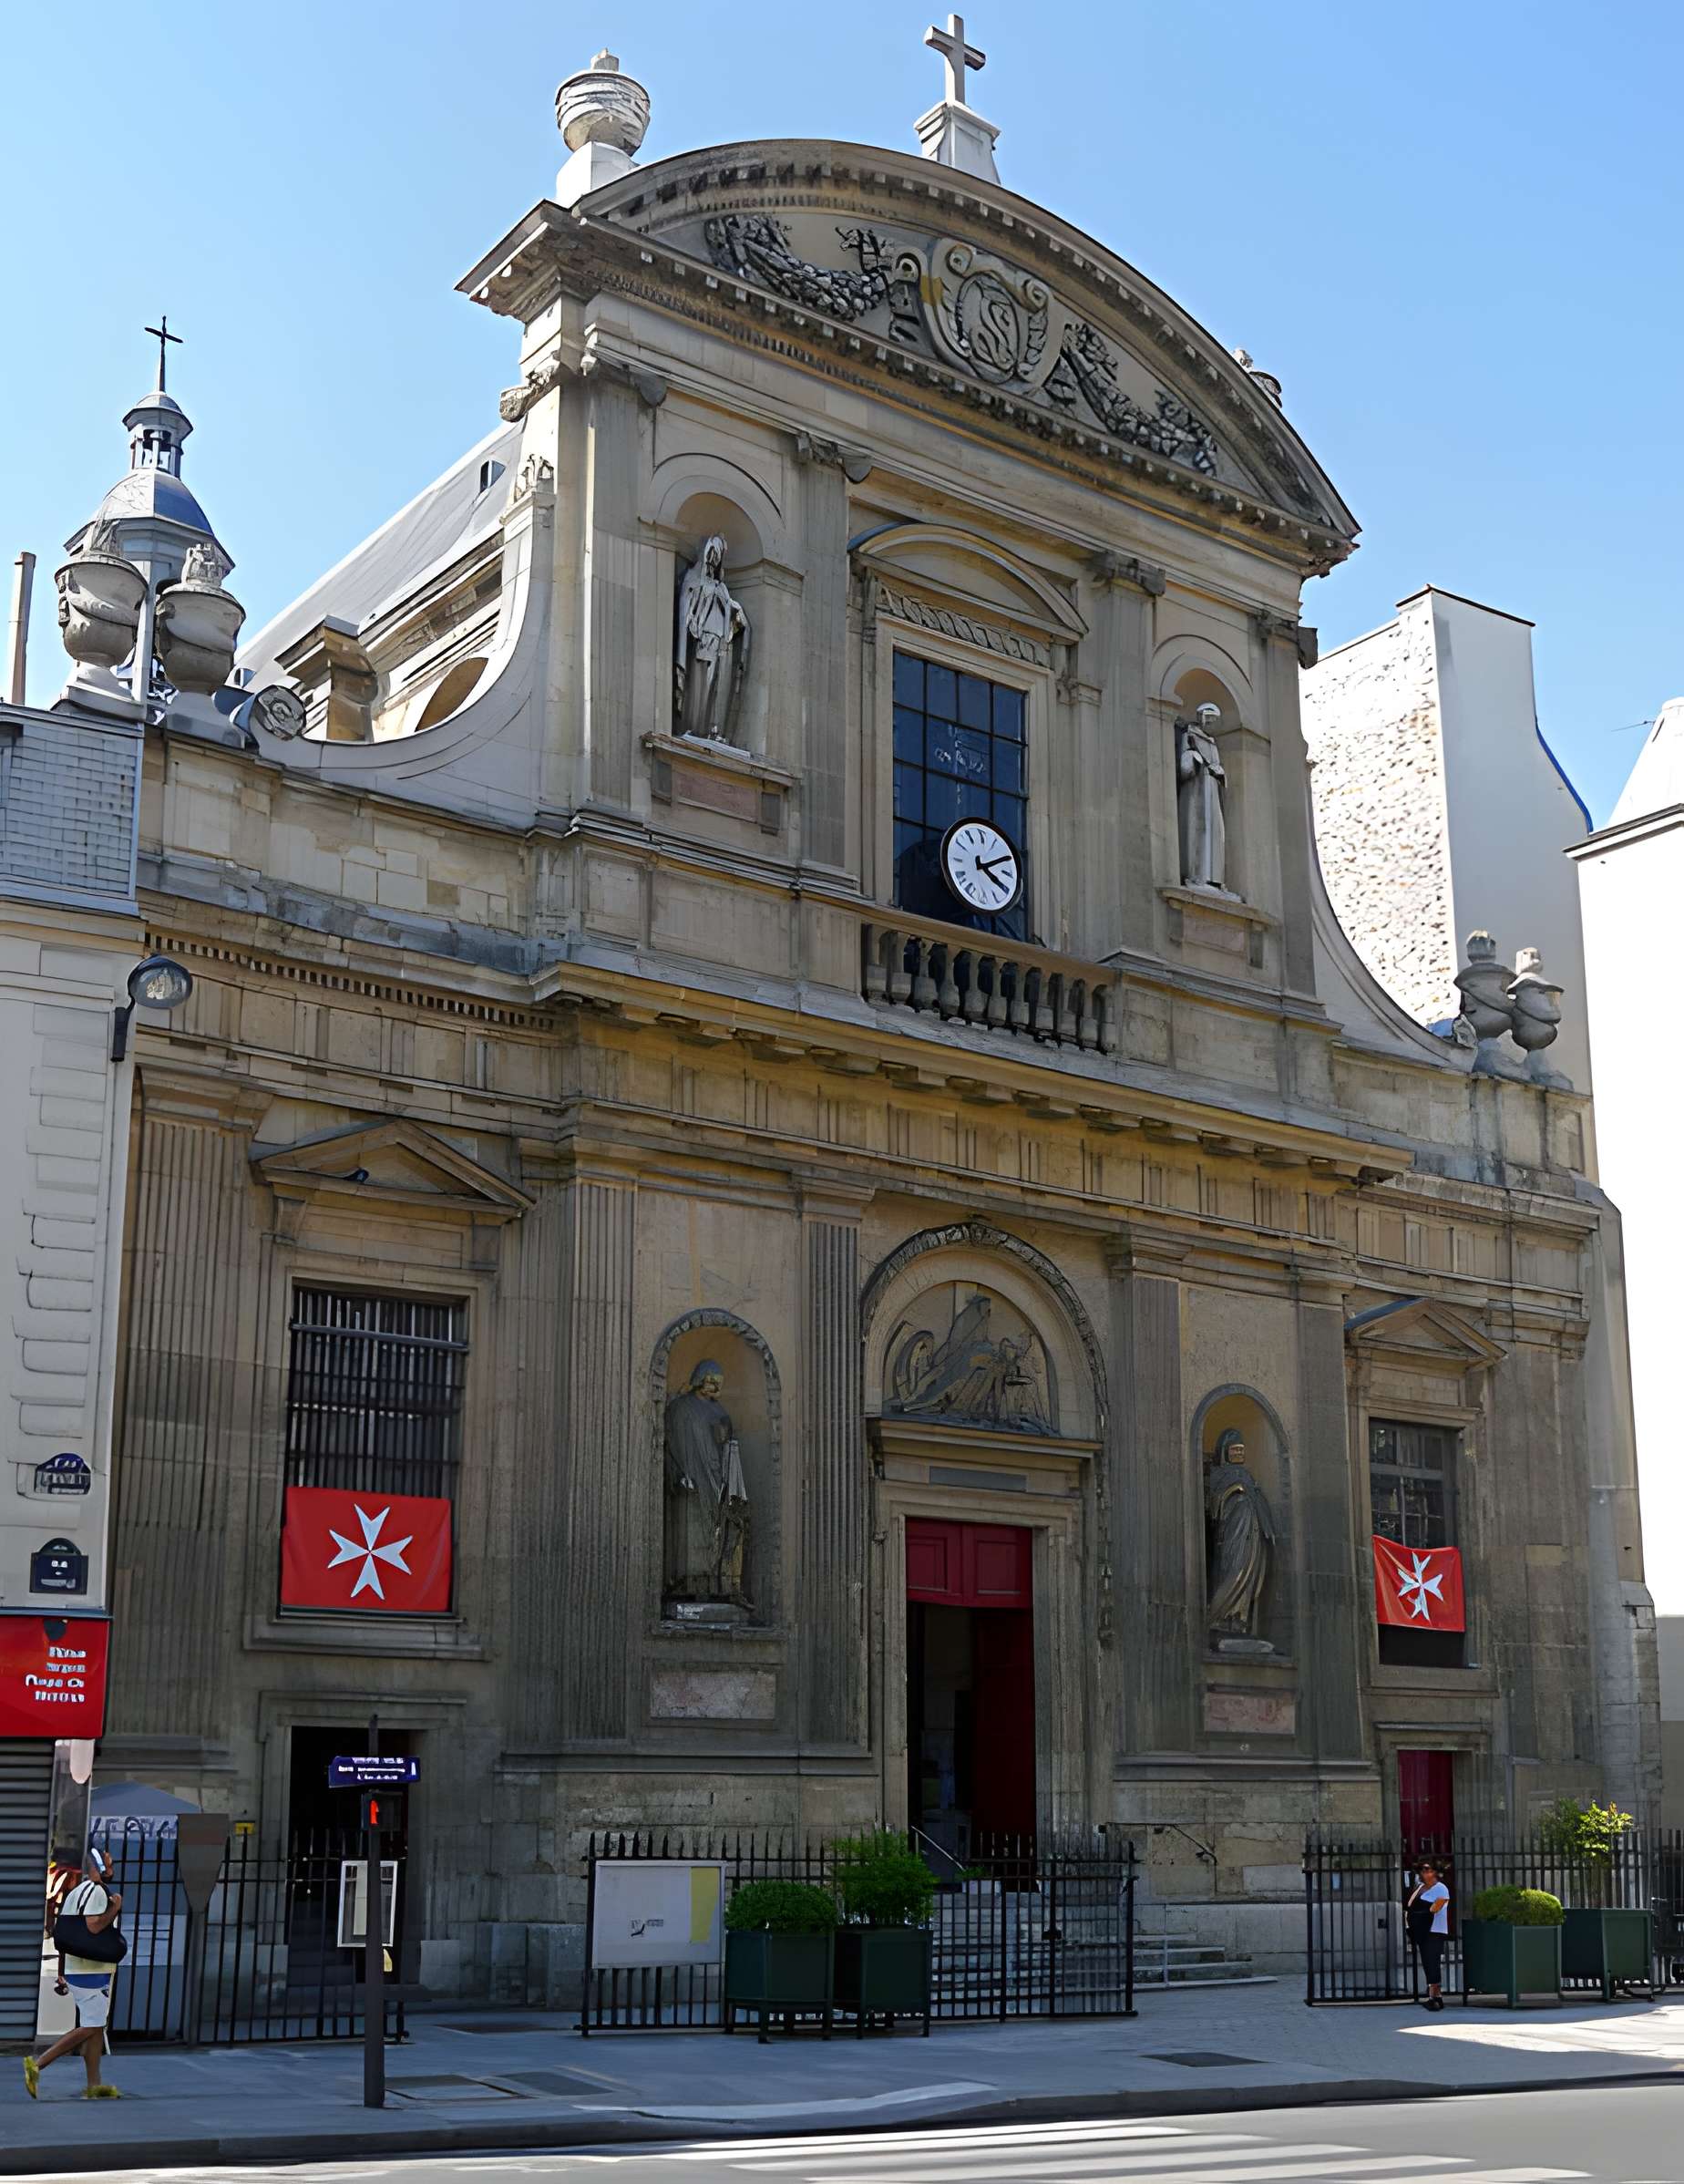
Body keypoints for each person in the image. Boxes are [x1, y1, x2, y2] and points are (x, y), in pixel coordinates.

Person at [25, 1844, 123, 2098]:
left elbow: (65, 1935)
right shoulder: (98, 1892)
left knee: (95, 2028)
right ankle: (37, 2065)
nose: (112, 1869)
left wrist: (61, 1971)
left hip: (77, 1969)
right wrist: (114, 1908)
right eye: (109, 1864)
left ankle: (94, 2085)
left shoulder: (76, 1892)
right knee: (91, 2027)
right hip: (92, 1971)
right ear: (99, 1868)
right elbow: (93, 1927)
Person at [1406, 1859, 1450, 2011]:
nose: (1426, 1873)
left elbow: (1436, 1907)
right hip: (1422, 1931)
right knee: (1427, 1962)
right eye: (1423, 1870)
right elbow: (1410, 1904)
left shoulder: (1441, 1888)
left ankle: (1434, 1997)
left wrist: (1423, 1911)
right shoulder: (1420, 1888)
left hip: (1435, 1930)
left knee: (1433, 1963)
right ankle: (1436, 1996)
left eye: (1429, 1870)